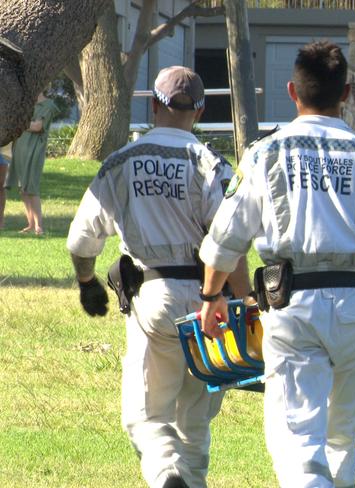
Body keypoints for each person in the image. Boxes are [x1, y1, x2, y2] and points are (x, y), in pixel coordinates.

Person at [198, 41, 355, 487]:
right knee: (342, 436)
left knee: (297, 437)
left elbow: (225, 236)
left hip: (292, 304)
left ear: (292, 92)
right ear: (347, 93)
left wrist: (210, 296)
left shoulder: (266, 154)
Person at [66, 66, 250, 488]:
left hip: (153, 299)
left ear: (154, 104)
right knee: (196, 417)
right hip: (211, 304)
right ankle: (189, 478)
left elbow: (80, 240)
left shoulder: (121, 163)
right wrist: (245, 305)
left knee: (145, 417)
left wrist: (87, 282)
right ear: (199, 111)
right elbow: (231, 243)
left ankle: (166, 473)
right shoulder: (211, 165)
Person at [5, 90, 59, 234]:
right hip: (20, 150)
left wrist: (20, 123)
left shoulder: (48, 105)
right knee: (23, 189)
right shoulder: (26, 105)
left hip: (34, 152)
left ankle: (39, 226)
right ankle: (30, 224)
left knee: (32, 187)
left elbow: (37, 127)